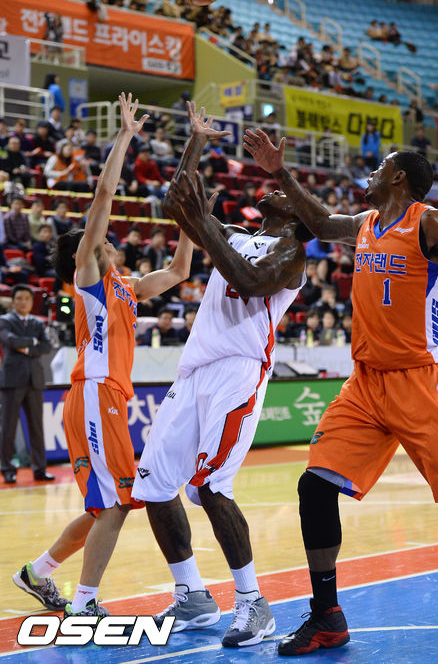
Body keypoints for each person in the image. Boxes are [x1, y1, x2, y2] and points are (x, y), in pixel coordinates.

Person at [243, 127, 438, 656]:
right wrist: (280, 173)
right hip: (365, 383)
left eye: (380, 166)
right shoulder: (364, 223)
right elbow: (319, 224)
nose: (371, 172)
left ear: (399, 177)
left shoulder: (431, 224)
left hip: (422, 381)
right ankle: (327, 616)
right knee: (314, 487)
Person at [131, 101, 309, 648]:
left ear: (297, 212)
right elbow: (176, 204)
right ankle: (192, 594)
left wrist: (205, 226)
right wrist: (196, 141)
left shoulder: (292, 253)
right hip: (194, 370)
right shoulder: (230, 231)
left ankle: (254, 604)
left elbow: (250, 282)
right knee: (153, 483)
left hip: (239, 372)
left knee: (210, 485)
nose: (272, 191)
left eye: (284, 193)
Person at [13, 93, 195, 619]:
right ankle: (85, 603)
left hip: (105, 398)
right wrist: (123, 137)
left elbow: (179, 271)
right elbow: (104, 194)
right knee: (117, 504)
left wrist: (190, 221)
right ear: (87, 252)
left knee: (104, 506)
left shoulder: (127, 286)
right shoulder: (90, 280)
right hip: (95, 394)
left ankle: (38, 573)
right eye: (101, 238)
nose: (110, 239)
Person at [0, 285, 53, 484]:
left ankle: (40, 468)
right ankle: (7, 468)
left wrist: (28, 348)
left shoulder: (37, 322)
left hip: (34, 380)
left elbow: (46, 346)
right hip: (12, 381)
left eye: (27, 298)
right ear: (13, 301)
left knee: (37, 428)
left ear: (32, 302)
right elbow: (11, 341)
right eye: (19, 298)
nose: (23, 302)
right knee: (8, 428)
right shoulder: (5, 320)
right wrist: (33, 342)